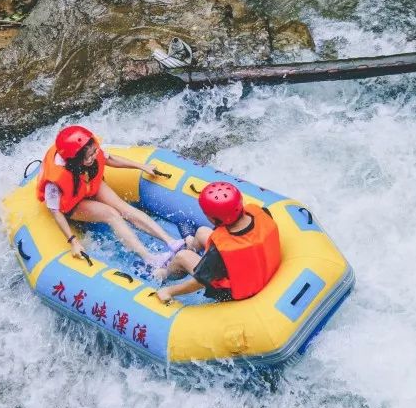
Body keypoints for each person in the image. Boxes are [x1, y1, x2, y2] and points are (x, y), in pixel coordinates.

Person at [36, 125, 184, 267]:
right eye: (91, 155)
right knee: (111, 214)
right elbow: (54, 210)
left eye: (95, 151)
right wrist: (73, 241)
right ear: (76, 161)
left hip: (86, 184)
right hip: (71, 203)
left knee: (123, 208)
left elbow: (109, 159)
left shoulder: (89, 150)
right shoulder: (54, 182)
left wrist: (142, 166)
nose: (96, 155)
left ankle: (170, 241)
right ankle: (149, 258)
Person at [154, 181, 281, 303]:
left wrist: (170, 291)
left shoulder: (220, 250)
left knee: (182, 256)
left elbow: (200, 282)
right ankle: (191, 246)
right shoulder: (262, 212)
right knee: (202, 231)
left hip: (234, 290)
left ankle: (165, 274)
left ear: (214, 220)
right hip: (259, 267)